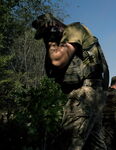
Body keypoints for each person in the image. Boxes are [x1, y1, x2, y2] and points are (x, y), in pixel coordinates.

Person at [32, 13, 109, 149]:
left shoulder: (73, 29)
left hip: (84, 95)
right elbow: (50, 72)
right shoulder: (70, 37)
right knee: (95, 145)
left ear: (53, 26)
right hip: (95, 94)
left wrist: (50, 38)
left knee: (66, 143)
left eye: (45, 33)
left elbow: (56, 61)